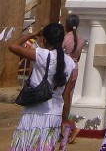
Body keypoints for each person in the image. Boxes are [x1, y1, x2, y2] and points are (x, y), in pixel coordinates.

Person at [8, 23, 77, 151]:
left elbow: (12, 46)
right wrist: (65, 120)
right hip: (54, 114)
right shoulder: (71, 64)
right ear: (62, 40)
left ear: (44, 39)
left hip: (34, 111)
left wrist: (32, 35)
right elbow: (66, 95)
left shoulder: (42, 55)